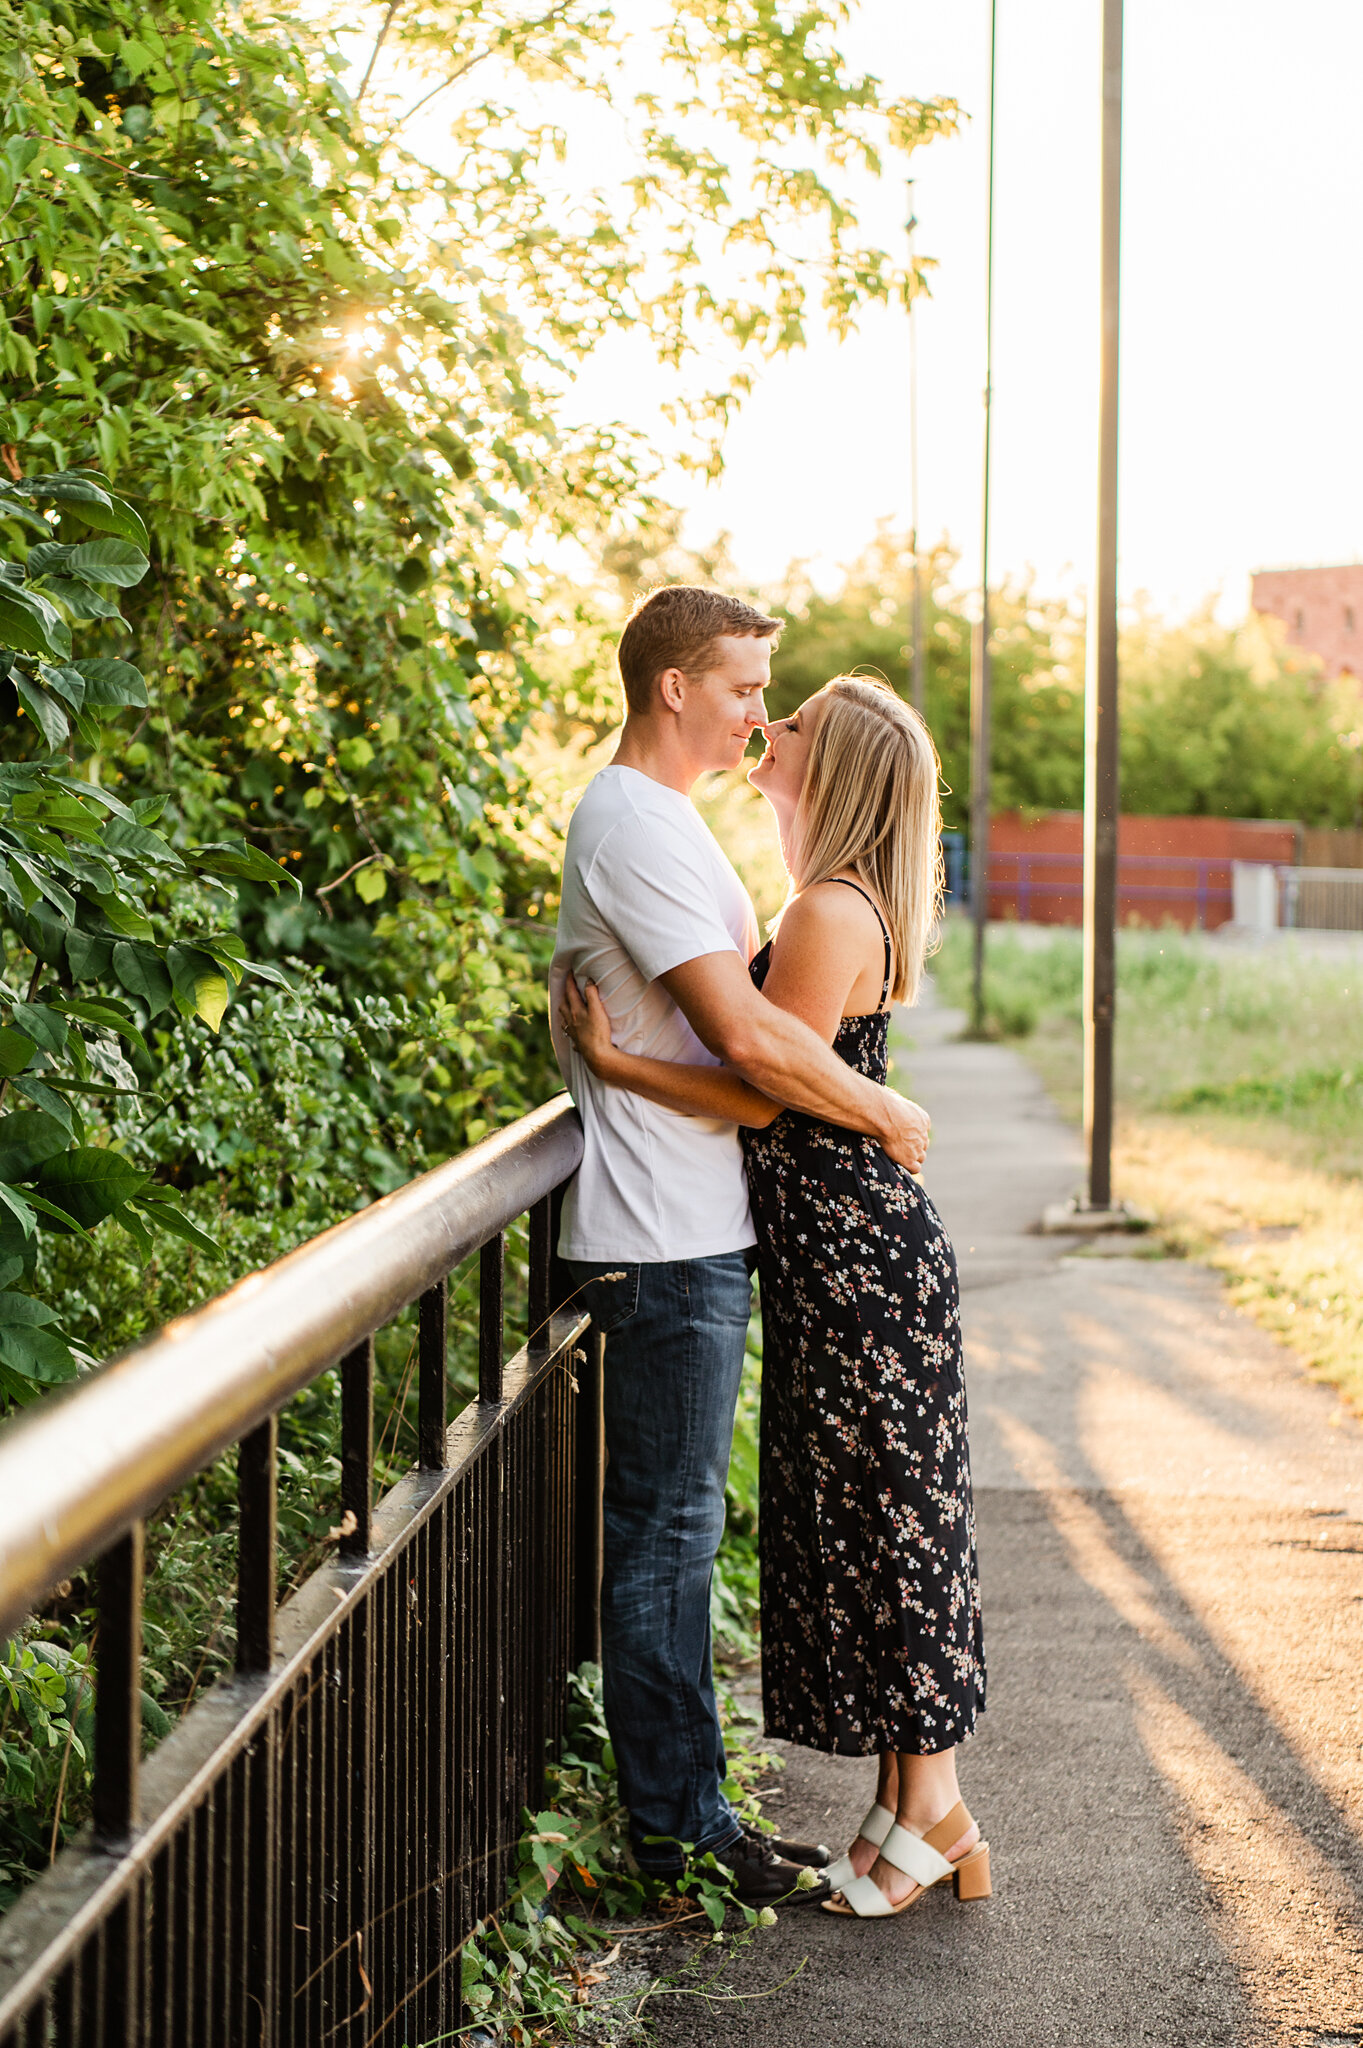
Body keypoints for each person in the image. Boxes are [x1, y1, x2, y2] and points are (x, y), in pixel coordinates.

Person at [560, 674, 989, 1920]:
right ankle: (916, 1805)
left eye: (788, 723)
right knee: (874, 1516)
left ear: (833, 765)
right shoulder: (833, 901)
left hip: (855, 1252)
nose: (766, 727)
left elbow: (759, 1086)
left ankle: (932, 1806)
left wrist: (616, 1061)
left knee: (890, 1523)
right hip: (840, 1249)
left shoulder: (820, 913)